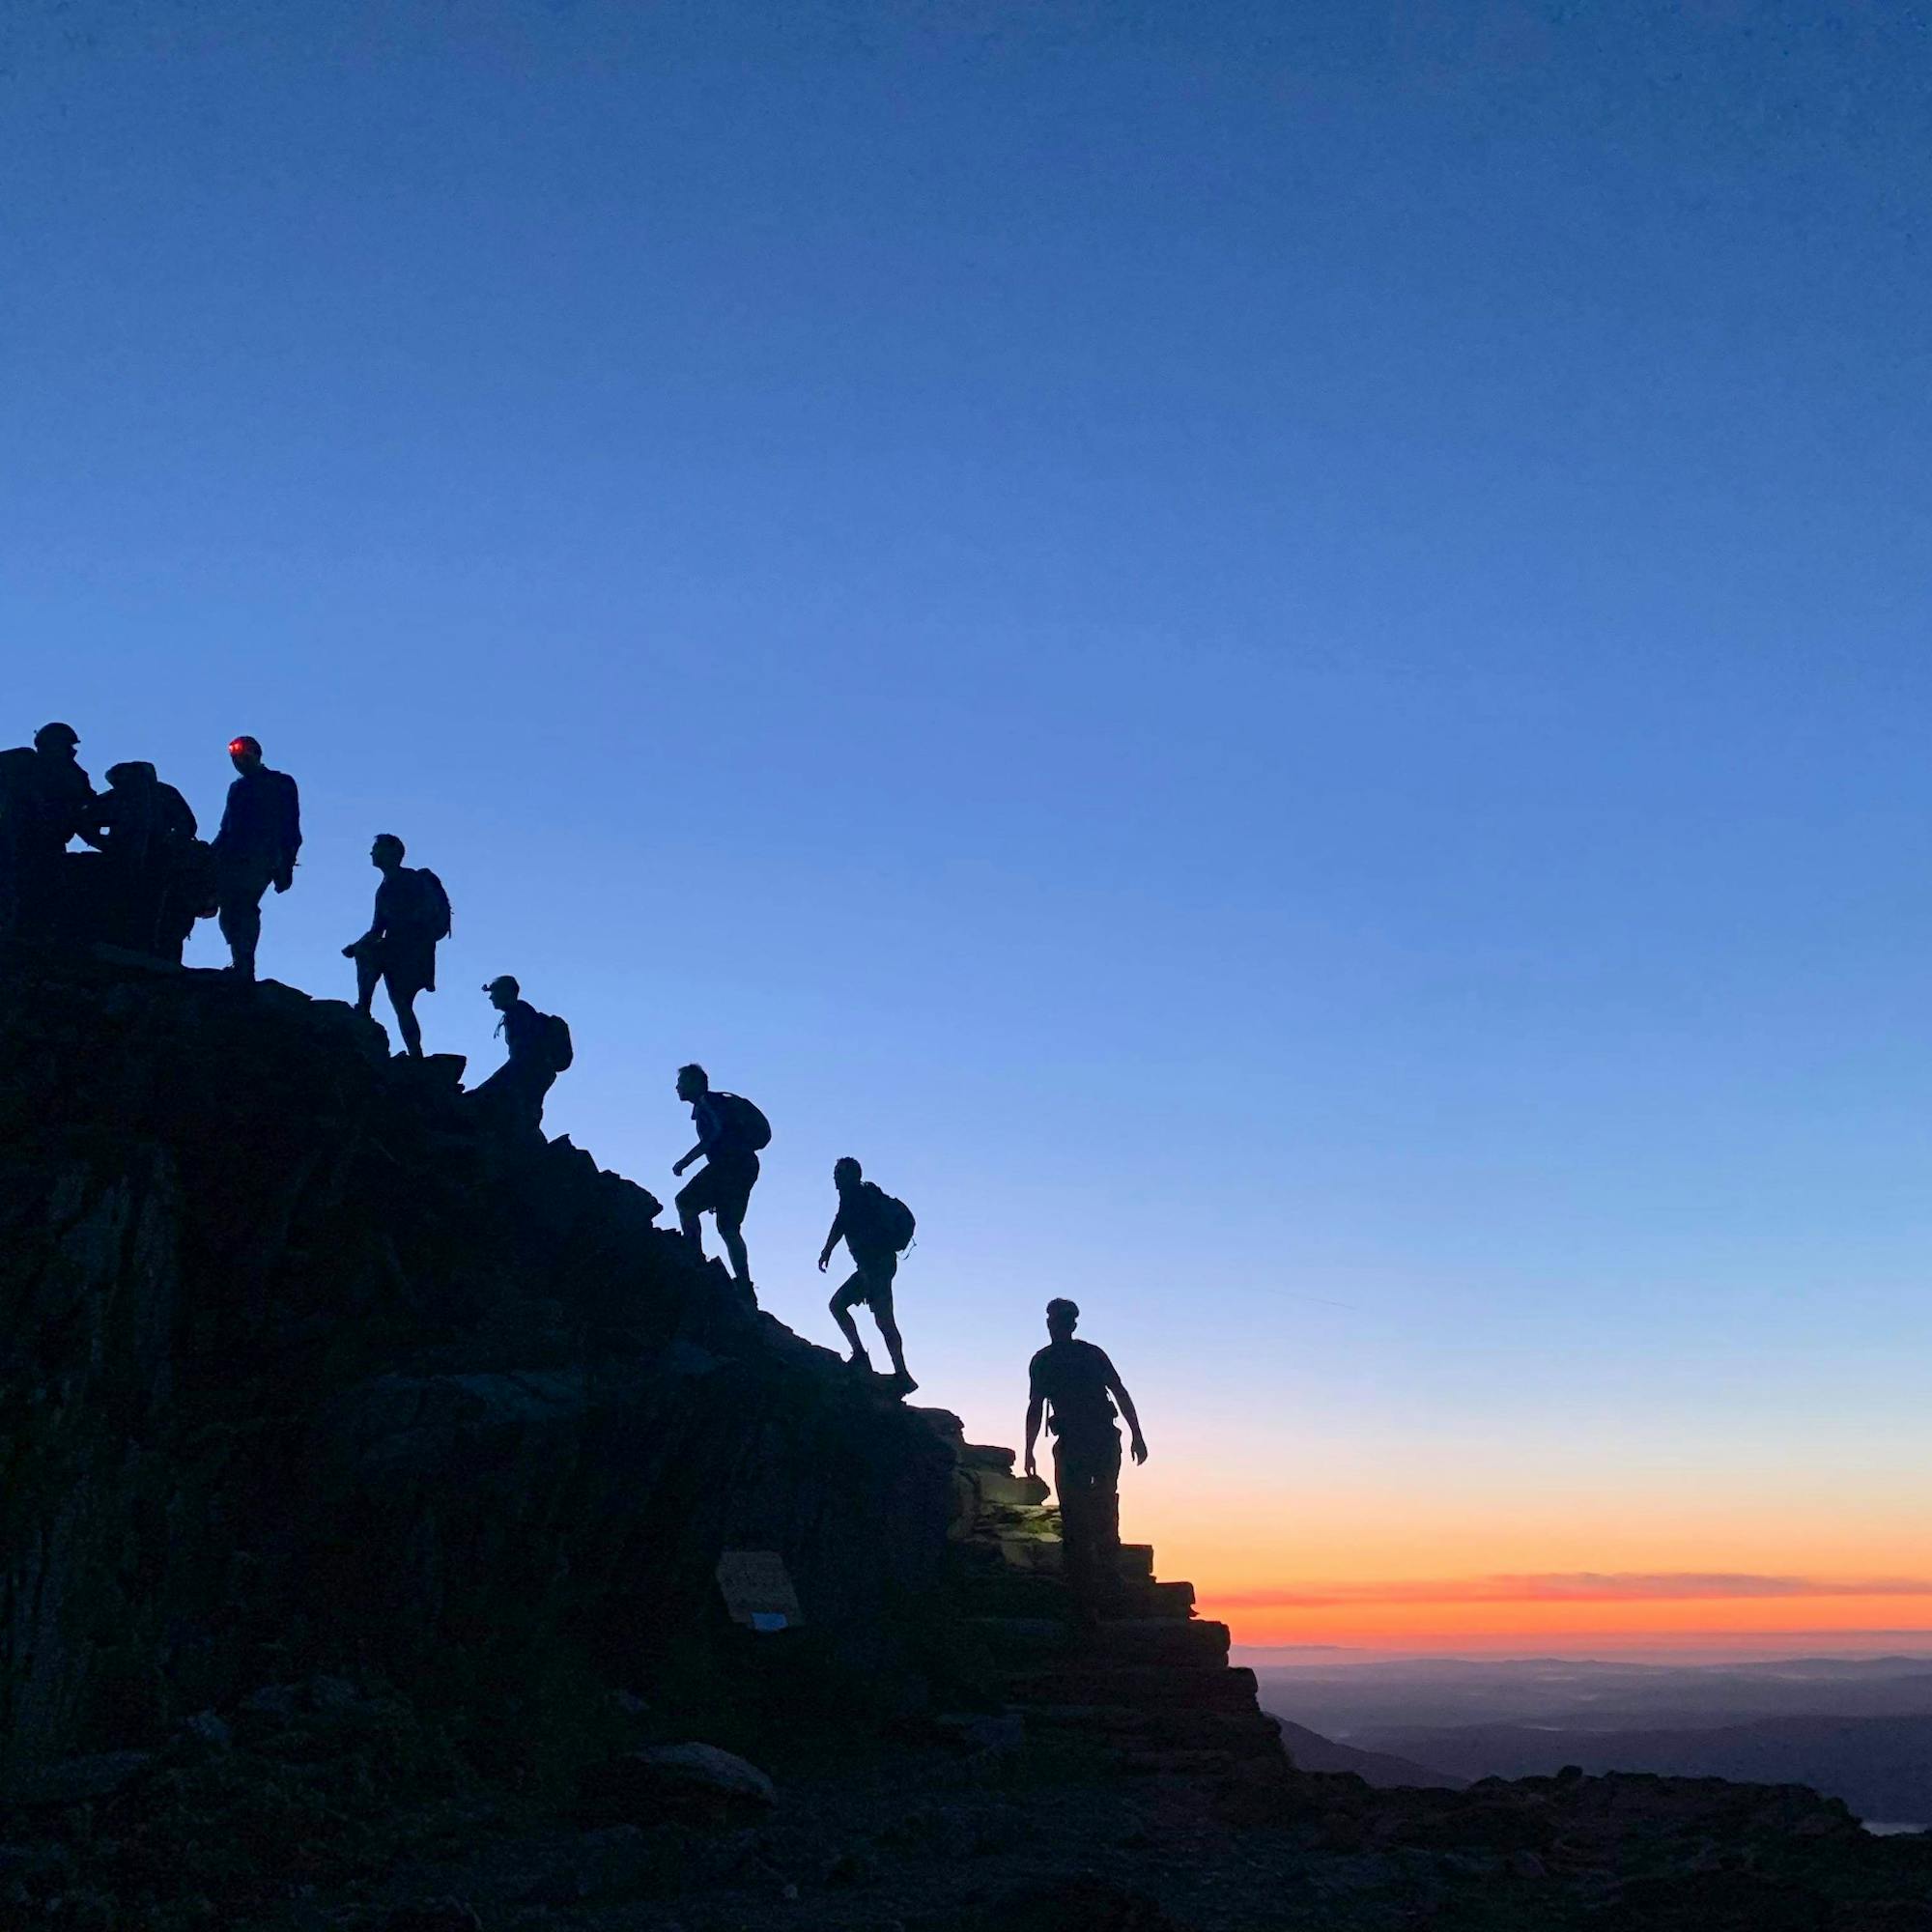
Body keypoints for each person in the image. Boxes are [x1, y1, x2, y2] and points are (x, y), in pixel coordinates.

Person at [1023, 1298, 1150, 1620]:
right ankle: (1093, 1589)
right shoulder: (1069, 1357)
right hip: (1090, 1441)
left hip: (1093, 1441)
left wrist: (1137, 1434)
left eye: (1060, 1320)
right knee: (1087, 1511)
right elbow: (1036, 1407)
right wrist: (1028, 1448)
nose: (1057, 1325)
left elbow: (1119, 1392)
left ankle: (1098, 1587)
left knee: (1092, 1509)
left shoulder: (1053, 1359)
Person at [342, 835, 448, 1059]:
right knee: (400, 1003)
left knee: (401, 1003)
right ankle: (365, 1008)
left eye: (376, 848)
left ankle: (414, 1052)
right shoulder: (383, 889)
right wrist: (357, 945)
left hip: (411, 949)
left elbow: (421, 915)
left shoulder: (410, 879)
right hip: (395, 947)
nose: (372, 853)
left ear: (393, 853)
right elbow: (377, 928)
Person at [79, 761, 199, 957]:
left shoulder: (146, 794)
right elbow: (187, 825)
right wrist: (103, 843)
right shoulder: (153, 793)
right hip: (130, 857)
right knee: (143, 903)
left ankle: (145, 946)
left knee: (153, 904)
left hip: (151, 857)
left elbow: (186, 826)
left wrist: (102, 842)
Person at [818, 1156, 917, 1393]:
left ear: (853, 1175)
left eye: (840, 1173)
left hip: (876, 1268)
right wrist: (827, 1250)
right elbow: (840, 1223)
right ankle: (872, 1360)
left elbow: (840, 1224)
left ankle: (900, 1374)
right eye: (836, 1173)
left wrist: (827, 1250)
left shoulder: (856, 1198)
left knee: (882, 1320)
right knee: (842, 1306)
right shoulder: (855, 1197)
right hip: (873, 1267)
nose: (836, 1178)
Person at [211, 735, 300, 981]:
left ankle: (245, 964)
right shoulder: (237, 788)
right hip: (231, 857)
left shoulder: (280, 783)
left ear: (256, 755)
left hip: (261, 857)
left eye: (243, 757)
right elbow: (226, 826)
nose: (239, 763)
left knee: (244, 905)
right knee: (228, 910)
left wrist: (286, 865)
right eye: (235, 759)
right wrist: (211, 853)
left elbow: (291, 826)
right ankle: (240, 960)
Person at [670, 1064, 763, 1292]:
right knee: (729, 1227)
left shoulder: (708, 1103)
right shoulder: (714, 1103)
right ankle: (744, 1284)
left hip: (729, 1166)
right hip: (744, 1166)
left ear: (695, 1083)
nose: (677, 1087)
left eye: (682, 1082)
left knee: (685, 1202)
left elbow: (716, 1133)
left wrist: (686, 1161)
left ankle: (694, 1257)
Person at [0, 723, 95, 940]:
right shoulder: (21, 764)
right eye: (67, 746)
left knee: (44, 889)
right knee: (12, 886)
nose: (72, 752)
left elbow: (87, 812)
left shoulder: (75, 776)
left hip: (49, 843)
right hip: (14, 838)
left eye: (73, 747)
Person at [469, 975, 565, 1131]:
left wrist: (488, 1086)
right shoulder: (519, 1013)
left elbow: (522, 1057)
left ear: (505, 992)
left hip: (531, 1073)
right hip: (536, 1072)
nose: (491, 997)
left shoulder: (519, 1015)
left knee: (521, 1114)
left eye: (494, 992)